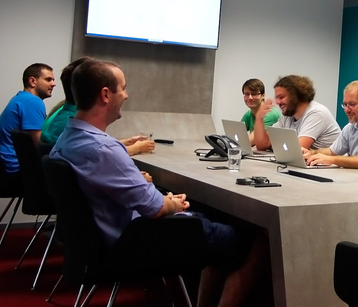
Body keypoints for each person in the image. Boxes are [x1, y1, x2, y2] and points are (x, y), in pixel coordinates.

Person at [49, 59, 268, 307]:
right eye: (123, 88)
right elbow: (155, 208)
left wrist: (161, 198)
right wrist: (172, 203)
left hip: (101, 245)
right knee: (251, 236)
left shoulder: (67, 139)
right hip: (133, 245)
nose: (126, 95)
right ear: (106, 95)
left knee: (209, 218)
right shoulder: (103, 149)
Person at [0, 63, 55, 176]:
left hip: (6, 165)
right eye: (48, 79)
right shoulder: (32, 102)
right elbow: (39, 145)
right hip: (17, 169)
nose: (53, 84)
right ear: (32, 81)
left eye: (53, 80)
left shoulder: (21, 98)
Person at [253, 75, 340, 151]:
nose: (278, 102)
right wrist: (259, 118)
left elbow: (296, 151)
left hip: (332, 165)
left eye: (281, 97)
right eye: (277, 98)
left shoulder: (316, 113)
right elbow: (262, 145)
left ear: (296, 95)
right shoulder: (288, 115)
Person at [240, 78, 280, 147]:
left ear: (263, 96)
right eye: (246, 94)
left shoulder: (270, 113)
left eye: (254, 94)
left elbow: (250, 141)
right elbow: (237, 134)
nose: (250, 97)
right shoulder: (249, 113)